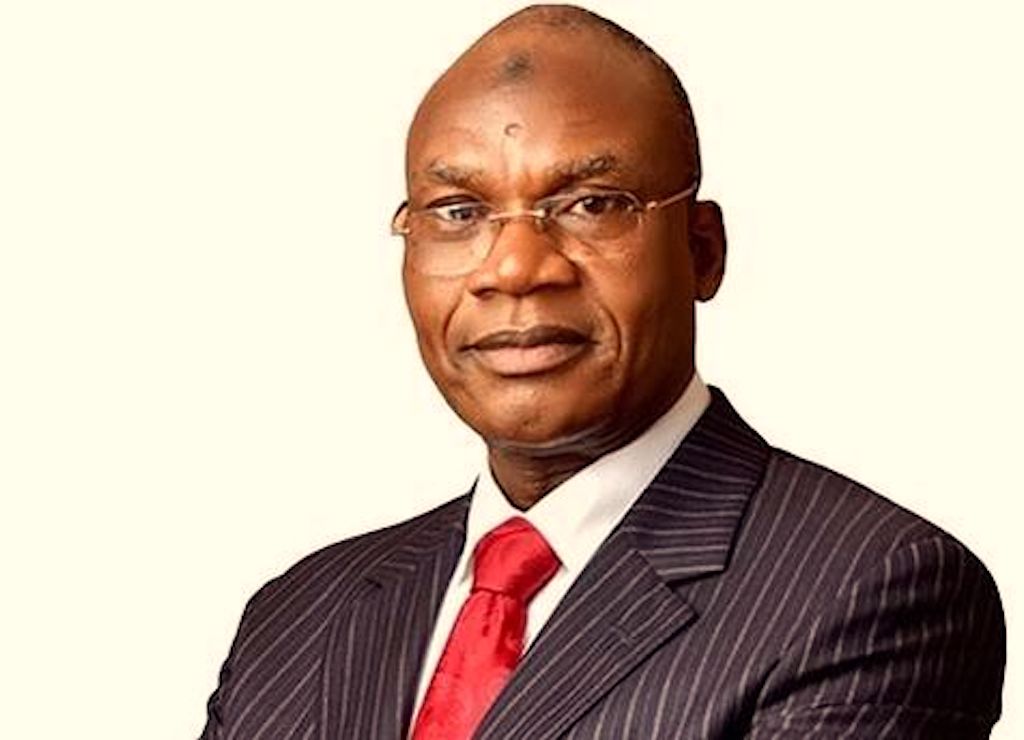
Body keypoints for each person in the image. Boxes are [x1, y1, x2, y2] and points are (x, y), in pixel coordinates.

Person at [200, 5, 1005, 738]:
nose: (515, 268)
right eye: (458, 213)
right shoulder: (295, 619)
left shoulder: (869, 589)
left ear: (701, 252)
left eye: (592, 203)